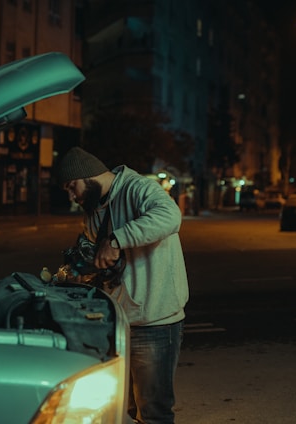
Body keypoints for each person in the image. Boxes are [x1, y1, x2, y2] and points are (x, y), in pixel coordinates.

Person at [57, 147, 189, 424]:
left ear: (89, 176)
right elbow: (98, 257)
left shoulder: (139, 189)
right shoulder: (94, 210)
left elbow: (170, 217)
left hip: (155, 321)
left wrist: (116, 240)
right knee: (119, 410)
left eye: (72, 187)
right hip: (118, 323)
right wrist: (79, 272)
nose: (72, 196)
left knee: (154, 412)